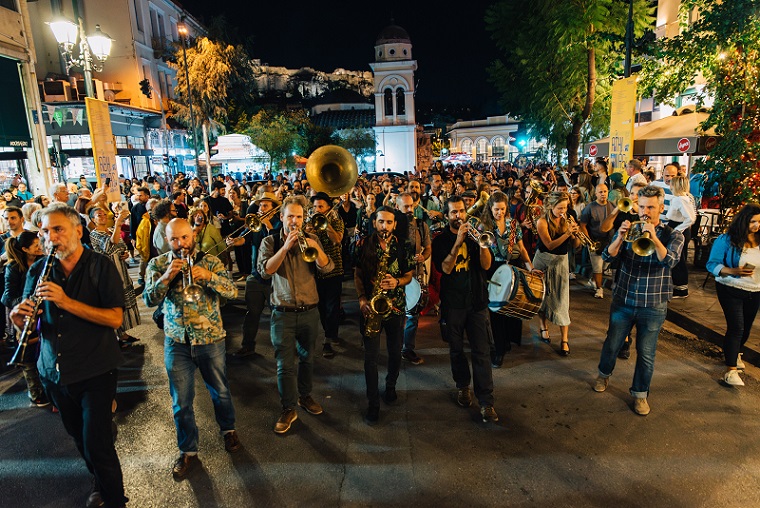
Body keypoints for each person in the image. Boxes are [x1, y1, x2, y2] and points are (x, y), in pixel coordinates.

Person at [10, 203, 128, 508]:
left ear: (78, 230)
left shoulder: (99, 266)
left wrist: (65, 302)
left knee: (98, 444)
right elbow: (34, 324)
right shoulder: (38, 270)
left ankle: (115, 499)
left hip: (96, 369)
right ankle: (100, 484)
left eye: (58, 229)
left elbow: (115, 319)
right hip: (53, 372)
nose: (50, 237)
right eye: (45, 231)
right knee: (79, 439)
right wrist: (19, 320)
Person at [143, 218, 241, 478]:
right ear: (166, 239)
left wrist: (209, 277)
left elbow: (232, 292)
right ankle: (188, 451)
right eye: (174, 239)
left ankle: (228, 431)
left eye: (184, 238)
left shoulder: (211, 262)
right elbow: (148, 298)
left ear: (193, 235)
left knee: (220, 392)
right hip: (177, 342)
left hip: (210, 339)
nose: (180, 244)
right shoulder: (158, 264)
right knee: (181, 402)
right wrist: (166, 277)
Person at [593, 186, 684, 416]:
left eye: (651, 207)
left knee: (646, 352)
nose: (645, 212)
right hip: (624, 299)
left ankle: (640, 394)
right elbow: (606, 256)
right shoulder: (629, 228)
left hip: (653, 304)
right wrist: (620, 238)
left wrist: (653, 236)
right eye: (642, 206)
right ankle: (603, 375)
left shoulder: (674, 235)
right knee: (612, 343)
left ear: (661, 209)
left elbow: (670, 261)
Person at [257, 195, 333, 434]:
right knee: (285, 366)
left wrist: (317, 247)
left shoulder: (311, 238)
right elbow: (265, 271)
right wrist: (285, 247)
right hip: (283, 313)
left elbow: (327, 267)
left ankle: (305, 396)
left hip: (310, 310)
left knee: (308, 359)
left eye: (299, 217)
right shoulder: (269, 242)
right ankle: (288, 407)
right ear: (281, 217)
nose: (295, 221)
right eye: (290, 216)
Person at [432, 195, 498, 423]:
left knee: (482, 352)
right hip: (453, 303)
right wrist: (457, 242)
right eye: (454, 212)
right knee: (457, 350)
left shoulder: (476, 235)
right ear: (446, 215)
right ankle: (462, 386)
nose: (459, 216)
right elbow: (446, 269)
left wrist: (480, 244)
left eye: (461, 211)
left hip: (477, 301)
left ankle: (486, 402)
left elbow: (487, 265)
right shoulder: (440, 240)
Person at [354, 206, 413, 424]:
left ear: (395, 224)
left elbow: (409, 275)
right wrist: (361, 299)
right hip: (370, 307)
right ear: (374, 223)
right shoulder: (363, 244)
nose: (384, 226)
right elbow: (358, 273)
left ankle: (390, 386)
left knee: (395, 353)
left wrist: (397, 281)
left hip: (395, 307)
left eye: (389, 222)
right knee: (370, 359)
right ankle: (373, 403)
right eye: (381, 222)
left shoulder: (404, 246)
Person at [706, 203, 760, 387]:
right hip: (730, 287)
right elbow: (712, 264)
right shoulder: (727, 239)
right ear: (743, 221)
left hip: (754, 290)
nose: (756, 225)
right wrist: (732, 270)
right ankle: (730, 371)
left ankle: (734, 352)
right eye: (753, 221)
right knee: (736, 327)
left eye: (759, 222)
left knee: (746, 328)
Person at [480, 191, 535, 367]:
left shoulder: (513, 224)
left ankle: (508, 341)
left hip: (512, 268)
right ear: (490, 208)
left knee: (511, 306)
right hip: (494, 270)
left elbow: (522, 247)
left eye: (502, 209)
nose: (499, 213)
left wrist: (530, 267)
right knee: (496, 311)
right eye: (496, 209)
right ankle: (499, 349)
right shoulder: (484, 226)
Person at [231, 192, 281, 358]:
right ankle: (247, 346)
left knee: (278, 316)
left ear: (274, 209)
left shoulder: (280, 224)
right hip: (256, 275)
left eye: (265, 205)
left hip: (275, 279)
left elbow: (278, 246)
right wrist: (234, 241)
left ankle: (282, 348)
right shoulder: (256, 224)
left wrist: (269, 226)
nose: (261, 208)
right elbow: (244, 240)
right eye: (260, 205)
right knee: (251, 314)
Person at [2, 231, 48, 406]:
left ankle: (47, 385)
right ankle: (34, 389)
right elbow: (7, 297)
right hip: (22, 314)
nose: (40, 247)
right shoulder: (13, 267)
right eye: (36, 245)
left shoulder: (42, 263)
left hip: (42, 312)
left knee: (43, 348)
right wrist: (27, 301)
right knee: (28, 353)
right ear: (24, 249)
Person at [533, 192, 581, 356]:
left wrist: (575, 233)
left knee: (562, 299)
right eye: (560, 207)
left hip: (561, 261)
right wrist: (567, 233)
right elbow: (550, 245)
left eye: (566, 207)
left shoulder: (569, 218)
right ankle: (543, 326)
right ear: (550, 207)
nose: (563, 211)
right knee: (541, 296)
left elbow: (576, 245)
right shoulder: (542, 221)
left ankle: (564, 339)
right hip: (543, 260)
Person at [89, 206, 141, 347]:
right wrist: (118, 223)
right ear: (93, 219)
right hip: (109, 273)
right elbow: (109, 246)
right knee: (114, 302)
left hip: (122, 271)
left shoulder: (111, 230)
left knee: (125, 300)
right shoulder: (94, 234)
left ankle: (123, 334)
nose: (103, 216)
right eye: (99, 215)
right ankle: (116, 336)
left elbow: (121, 245)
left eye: (104, 214)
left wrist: (124, 253)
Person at [308, 192, 344, 358]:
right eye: (315, 207)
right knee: (321, 305)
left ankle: (329, 338)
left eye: (320, 206)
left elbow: (337, 240)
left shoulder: (336, 219)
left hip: (334, 268)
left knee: (332, 305)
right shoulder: (310, 221)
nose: (317, 210)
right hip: (315, 270)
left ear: (328, 207)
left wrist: (326, 224)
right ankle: (328, 332)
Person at [396, 193, 431, 365]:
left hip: (414, 276)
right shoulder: (392, 225)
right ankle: (395, 347)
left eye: (411, 206)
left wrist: (423, 257)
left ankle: (407, 349)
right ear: (398, 207)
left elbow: (428, 247)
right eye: (406, 207)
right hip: (396, 277)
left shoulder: (421, 225)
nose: (410, 210)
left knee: (412, 315)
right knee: (396, 314)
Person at [579, 184, 615, 299]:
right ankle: (599, 288)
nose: (603, 194)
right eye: (600, 192)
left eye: (605, 191)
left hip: (609, 241)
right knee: (597, 266)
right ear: (596, 194)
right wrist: (589, 240)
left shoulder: (613, 206)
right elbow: (583, 225)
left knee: (605, 266)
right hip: (595, 240)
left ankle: (594, 279)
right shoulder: (590, 207)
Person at [667, 176, 696, 298]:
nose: (670, 186)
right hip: (677, 227)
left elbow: (691, 218)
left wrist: (678, 230)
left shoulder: (681, 199)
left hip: (678, 228)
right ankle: (678, 285)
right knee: (678, 257)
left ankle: (681, 288)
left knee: (678, 258)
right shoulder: (685, 197)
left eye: (672, 184)